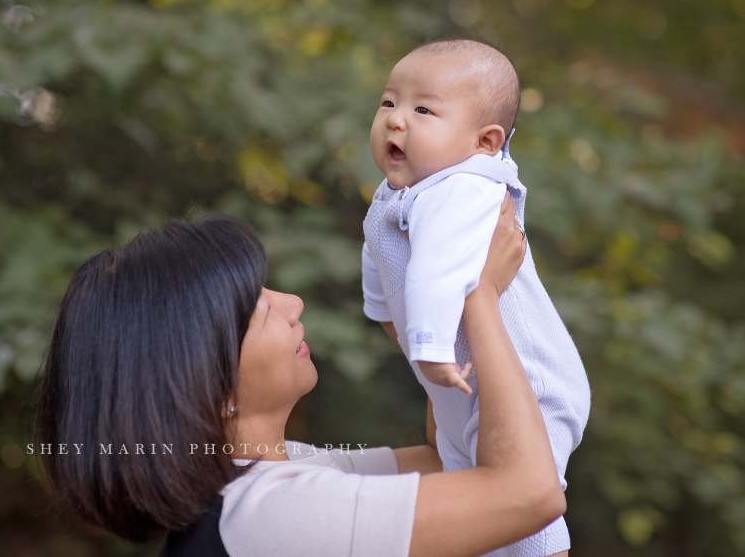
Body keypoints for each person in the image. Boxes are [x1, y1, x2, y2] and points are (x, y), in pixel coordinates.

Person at [33, 199, 565, 556]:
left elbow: (444, 461)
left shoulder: (271, 482)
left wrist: (433, 313)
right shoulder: (266, 517)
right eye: (257, 309)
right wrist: (479, 299)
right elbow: (530, 493)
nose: (291, 304)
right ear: (201, 377)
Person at [362, 36, 591, 557]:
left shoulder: (463, 189)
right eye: (389, 103)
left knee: (526, 503)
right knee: (473, 495)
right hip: (464, 384)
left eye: (423, 109)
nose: (397, 120)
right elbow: (377, 259)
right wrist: (386, 319)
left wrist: (426, 343)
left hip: (530, 380)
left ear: (486, 142)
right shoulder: (395, 195)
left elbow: (436, 272)